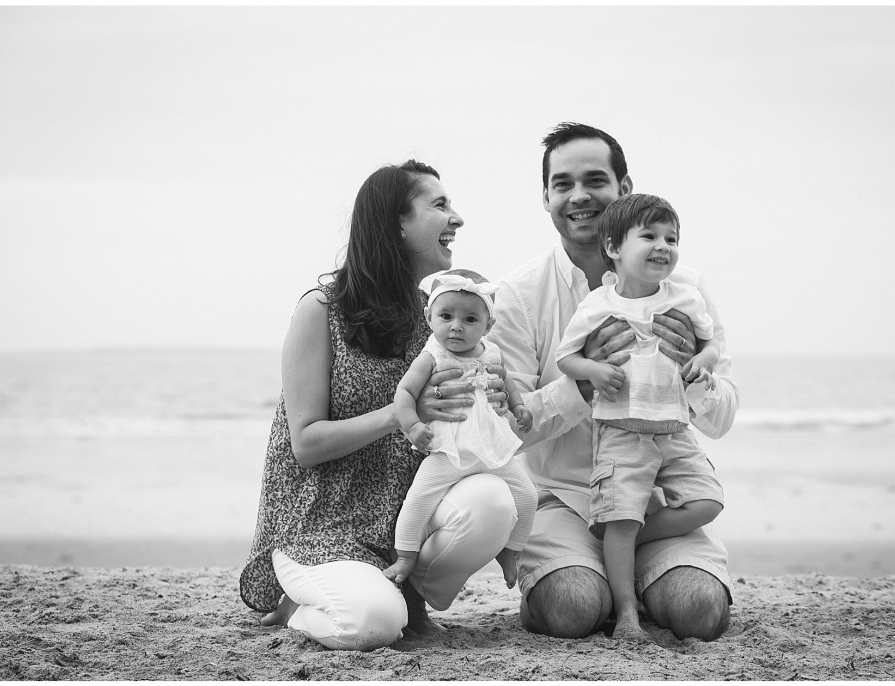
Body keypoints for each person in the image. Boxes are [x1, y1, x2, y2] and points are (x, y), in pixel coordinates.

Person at [239, 160, 519, 652]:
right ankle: (298, 606)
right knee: (370, 624)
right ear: (397, 224)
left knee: (494, 501)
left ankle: (410, 594)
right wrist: (401, 413)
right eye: (439, 205)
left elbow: (474, 422)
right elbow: (306, 444)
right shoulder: (322, 309)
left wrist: (498, 403)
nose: (456, 218)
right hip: (321, 526)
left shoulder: (442, 319)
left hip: (404, 521)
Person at [487, 122, 739, 642]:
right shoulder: (518, 295)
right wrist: (583, 385)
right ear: (546, 198)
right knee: (572, 608)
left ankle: (633, 566)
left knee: (700, 611)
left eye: (595, 180)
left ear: (624, 188)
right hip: (565, 500)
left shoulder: (684, 288)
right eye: (563, 184)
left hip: (658, 503)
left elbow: (723, 418)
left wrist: (692, 369)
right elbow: (503, 434)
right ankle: (595, 578)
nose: (579, 196)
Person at [555, 193, 725, 643]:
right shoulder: (598, 304)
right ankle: (627, 611)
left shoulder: (685, 296)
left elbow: (712, 344)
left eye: (672, 238)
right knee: (622, 518)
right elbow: (566, 358)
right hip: (621, 430)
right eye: (649, 236)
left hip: (674, 429)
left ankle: (626, 541)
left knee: (707, 501)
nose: (663, 246)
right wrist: (594, 371)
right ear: (613, 247)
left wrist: (702, 361)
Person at [385, 269, 538, 590]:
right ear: (428, 317)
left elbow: (506, 381)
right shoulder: (432, 356)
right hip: (448, 451)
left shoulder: (491, 351)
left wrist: (519, 407)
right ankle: (406, 557)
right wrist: (413, 425)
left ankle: (510, 552)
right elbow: (405, 392)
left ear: (488, 326)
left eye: (470, 319)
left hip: (491, 450)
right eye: (446, 316)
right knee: (418, 499)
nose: (456, 326)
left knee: (527, 495)